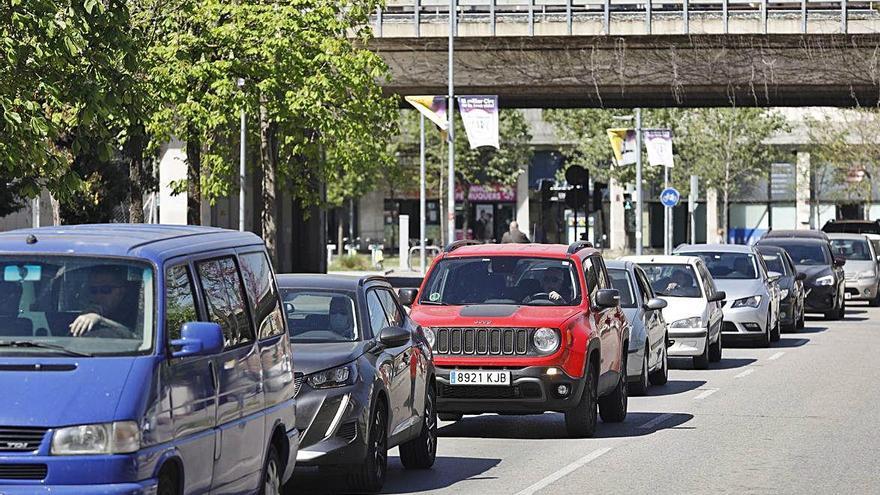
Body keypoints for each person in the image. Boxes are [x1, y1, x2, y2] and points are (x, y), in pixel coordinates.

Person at [70, 266, 136, 337]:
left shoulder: (136, 313)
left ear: (121, 292)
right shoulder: (84, 315)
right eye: (93, 290)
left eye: (106, 289)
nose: (99, 296)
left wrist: (101, 320)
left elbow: (135, 337)